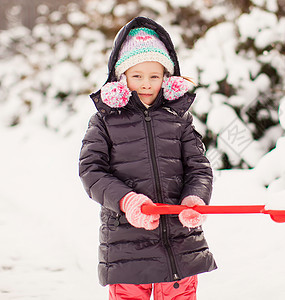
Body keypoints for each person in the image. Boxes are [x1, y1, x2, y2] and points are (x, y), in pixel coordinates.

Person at [78, 16, 217, 300]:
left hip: (179, 243)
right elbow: (91, 171)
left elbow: (198, 168)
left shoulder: (178, 118)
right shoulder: (105, 120)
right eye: (137, 75)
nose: (146, 84)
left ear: (166, 77)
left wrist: (194, 199)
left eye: (154, 76)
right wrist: (127, 201)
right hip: (127, 245)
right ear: (122, 77)